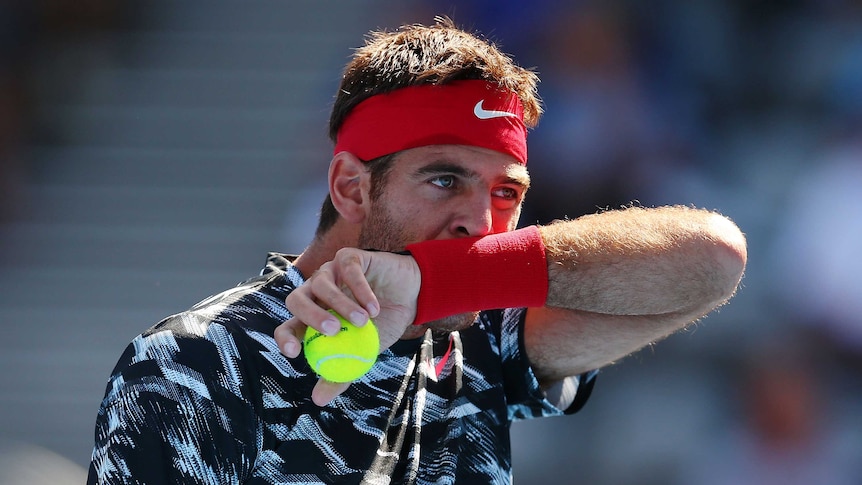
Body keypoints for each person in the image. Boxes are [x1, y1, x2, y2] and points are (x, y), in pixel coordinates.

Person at [87, 18, 747, 484]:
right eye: (444, 179)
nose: (480, 221)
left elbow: (714, 259)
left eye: (506, 192)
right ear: (350, 185)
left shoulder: (485, 337)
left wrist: (437, 285)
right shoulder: (193, 362)